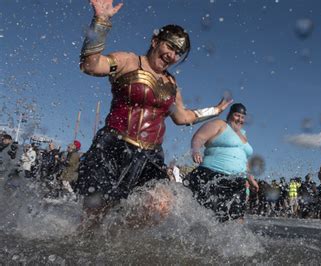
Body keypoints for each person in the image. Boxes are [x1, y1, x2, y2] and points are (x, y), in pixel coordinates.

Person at [73, 0, 232, 218]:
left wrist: (215, 110)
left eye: (178, 52)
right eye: (170, 46)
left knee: (160, 206)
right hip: (112, 148)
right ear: (155, 41)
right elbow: (90, 65)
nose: (172, 55)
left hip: (149, 157)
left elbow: (183, 117)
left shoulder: (172, 85)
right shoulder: (127, 61)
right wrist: (101, 21)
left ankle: (120, 241)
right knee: (95, 214)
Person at [185, 103, 258, 222]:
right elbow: (199, 137)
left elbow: (243, 159)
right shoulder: (220, 124)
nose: (240, 119)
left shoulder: (243, 135)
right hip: (212, 175)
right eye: (237, 115)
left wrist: (250, 178)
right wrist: (196, 151)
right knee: (208, 216)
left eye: (242, 117)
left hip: (237, 181)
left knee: (237, 219)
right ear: (230, 115)